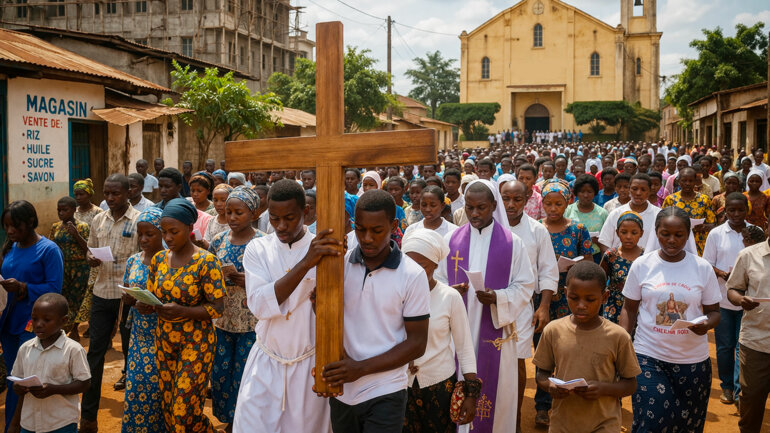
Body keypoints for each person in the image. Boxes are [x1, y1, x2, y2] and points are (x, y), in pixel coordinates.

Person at [322, 189, 431, 433]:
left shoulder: (412, 275)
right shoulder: (338, 266)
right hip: (342, 389)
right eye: (360, 229)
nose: (367, 238)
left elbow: (417, 343)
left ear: (393, 226)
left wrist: (360, 369)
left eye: (377, 230)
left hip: (386, 389)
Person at [233, 180, 334, 433]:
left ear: (306, 212)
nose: (280, 226)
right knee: (251, 425)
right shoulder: (258, 248)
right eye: (274, 218)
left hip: (309, 361)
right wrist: (305, 264)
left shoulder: (325, 249)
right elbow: (259, 305)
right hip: (266, 359)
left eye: (289, 218)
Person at [435, 180, 535, 433]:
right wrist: (450, 293)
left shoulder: (512, 243)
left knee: (495, 395)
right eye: (469, 208)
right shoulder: (450, 240)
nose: (475, 213)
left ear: (493, 206)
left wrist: (498, 297)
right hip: (457, 330)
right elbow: (437, 281)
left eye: (481, 207)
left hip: (495, 332)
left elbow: (524, 285)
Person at [619, 207, 722, 433]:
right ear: (656, 232)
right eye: (665, 234)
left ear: (688, 235)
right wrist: (624, 340)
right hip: (649, 357)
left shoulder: (702, 268)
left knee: (687, 425)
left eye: (679, 235)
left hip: (693, 362)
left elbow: (715, 311)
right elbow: (629, 308)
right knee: (652, 422)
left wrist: (707, 324)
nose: (672, 240)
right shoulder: (642, 265)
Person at [136, 198, 225, 432]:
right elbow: (153, 294)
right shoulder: (159, 260)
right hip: (165, 339)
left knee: (183, 411)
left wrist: (183, 311)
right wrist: (145, 305)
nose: (167, 238)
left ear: (189, 228)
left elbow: (217, 307)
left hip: (196, 343)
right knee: (168, 406)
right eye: (164, 232)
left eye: (173, 232)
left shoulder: (206, 262)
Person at [533, 261, 640, 433]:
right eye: (574, 298)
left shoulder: (618, 336)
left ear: (604, 297)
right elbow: (541, 373)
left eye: (590, 299)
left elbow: (631, 384)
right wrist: (549, 386)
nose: (581, 305)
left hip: (604, 424)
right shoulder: (553, 330)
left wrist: (603, 389)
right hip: (563, 423)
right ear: (566, 293)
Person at [401, 229, 479, 433]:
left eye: (422, 266)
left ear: (435, 265)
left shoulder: (449, 297)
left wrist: (471, 395)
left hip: (440, 386)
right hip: (400, 385)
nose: (414, 272)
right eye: (408, 265)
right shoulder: (394, 295)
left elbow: (464, 347)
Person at [80, 174, 139, 433]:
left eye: (115, 193)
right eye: (106, 193)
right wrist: (90, 258)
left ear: (128, 193)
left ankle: (136, 414)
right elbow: (90, 249)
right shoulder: (98, 220)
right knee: (95, 352)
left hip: (129, 296)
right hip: (102, 292)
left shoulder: (139, 220)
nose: (110, 198)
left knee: (131, 351)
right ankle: (89, 417)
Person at [500, 180, 559, 432]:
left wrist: (543, 306)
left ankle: (513, 421)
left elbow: (548, 270)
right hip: (489, 302)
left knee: (516, 361)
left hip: (523, 305)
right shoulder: (489, 227)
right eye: (506, 199)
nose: (511, 204)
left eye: (517, 199)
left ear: (527, 200)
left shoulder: (537, 230)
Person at [0, 201, 64, 431]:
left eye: (15, 226)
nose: (10, 231)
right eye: (6, 226)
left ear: (30, 223)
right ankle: (12, 426)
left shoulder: (49, 250)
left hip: (34, 325)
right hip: (8, 325)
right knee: (14, 379)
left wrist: (23, 287)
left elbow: (54, 290)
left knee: (30, 380)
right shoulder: (10, 247)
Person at [535, 178, 593, 427]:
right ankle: (542, 406)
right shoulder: (536, 228)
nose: (553, 208)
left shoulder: (578, 229)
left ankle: (573, 400)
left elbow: (590, 265)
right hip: (542, 299)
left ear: (567, 202)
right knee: (543, 352)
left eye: (559, 203)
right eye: (548, 203)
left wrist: (572, 267)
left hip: (572, 300)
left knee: (572, 350)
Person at [209, 187, 263, 430]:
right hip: (222, 321)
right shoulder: (218, 241)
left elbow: (274, 282)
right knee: (220, 374)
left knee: (245, 376)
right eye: (229, 212)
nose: (231, 217)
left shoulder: (263, 243)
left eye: (238, 212)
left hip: (252, 324)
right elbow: (206, 275)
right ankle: (227, 419)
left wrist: (247, 280)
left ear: (253, 213)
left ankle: (241, 422)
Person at [8, 294, 91, 433]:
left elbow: (84, 383)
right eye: (35, 319)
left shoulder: (73, 349)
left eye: (47, 320)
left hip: (60, 423)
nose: (39, 324)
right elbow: (19, 383)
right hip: (29, 423)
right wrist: (15, 422)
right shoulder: (25, 349)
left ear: (63, 321)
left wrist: (54, 389)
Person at [702, 192, 749, 406]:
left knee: (742, 346)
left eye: (741, 210)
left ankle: (740, 391)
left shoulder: (754, 233)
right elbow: (707, 264)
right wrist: (723, 274)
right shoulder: (716, 234)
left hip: (748, 301)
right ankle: (727, 387)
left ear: (747, 210)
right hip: (722, 300)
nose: (736, 214)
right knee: (724, 346)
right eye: (732, 210)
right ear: (725, 211)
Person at [120, 207, 164, 433]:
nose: (144, 239)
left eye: (150, 234)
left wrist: (155, 306)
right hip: (138, 333)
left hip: (164, 333)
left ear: (163, 234)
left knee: (159, 388)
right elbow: (126, 294)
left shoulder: (170, 261)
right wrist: (128, 297)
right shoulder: (133, 261)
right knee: (137, 384)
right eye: (141, 234)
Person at [727, 226, 770, 432]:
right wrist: (740, 299)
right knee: (752, 398)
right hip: (756, 341)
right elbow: (733, 289)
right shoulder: (748, 255)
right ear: (767, 226)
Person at [48, 197, 90, 336]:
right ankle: (63, 327)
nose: (61, 213)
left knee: (76, 298)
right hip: (62, 268)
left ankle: (74, 329)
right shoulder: (55, 227)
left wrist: (76, 235)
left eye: (64, 210)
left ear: (73, 210)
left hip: (80, 269)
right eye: (59, 210)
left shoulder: (82, 227)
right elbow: (50, 246)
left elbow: (88, 249)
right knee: (63, 298)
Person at [600, 211, 644, 323]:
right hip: (613, 306)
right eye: (624, 232)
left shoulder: (645, 257)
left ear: (641, 233)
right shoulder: (611, 255)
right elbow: (601, 279)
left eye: (634, 233)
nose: (628, 237)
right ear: (617, 232)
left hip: (637, 308)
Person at [661, 167, 716, 255]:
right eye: (684, 180)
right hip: (676, 241)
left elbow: (712, 224)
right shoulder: (670, 199)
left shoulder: (704, 200)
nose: (687, 183)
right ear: (679, 181)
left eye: (691, 181)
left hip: (698, 241)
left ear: (695, 182)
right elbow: (662, 222)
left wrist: (704, 227)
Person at [565, 175, 608, 263]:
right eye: (581, 191)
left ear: (595, 193)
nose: (585, 195)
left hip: (595, 256)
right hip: (573, 255)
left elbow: (607, 238)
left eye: (589, 191)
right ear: (576, 193)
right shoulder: (568, 211)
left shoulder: (602, 213)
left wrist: (597, 241)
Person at [202, 184, 234, 250]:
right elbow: (207, 241)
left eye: (223, 200)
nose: (218, 204)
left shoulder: (234, 222)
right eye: (215, 200)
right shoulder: (212, 221)